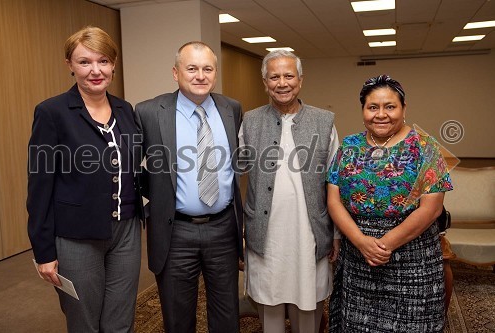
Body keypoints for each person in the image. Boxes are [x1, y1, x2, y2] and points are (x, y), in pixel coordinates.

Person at [27, 26, 144, 332]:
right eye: (85, 62)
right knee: (85, 322)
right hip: (76, 235)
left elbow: (130, 167)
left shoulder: (125, 109)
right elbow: (40, 186)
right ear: (69, 65)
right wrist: (44, 251)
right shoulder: (52, 112)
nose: (95, 70)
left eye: (103, 61)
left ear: (113, 64)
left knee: (121, 320)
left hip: (126, 230)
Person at [327, 74, 453, 332]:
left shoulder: (425, 147)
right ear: (363, 110)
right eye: (373, 107)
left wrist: (384, 245)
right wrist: (362, 243)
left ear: (404, 109)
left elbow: (432, 208)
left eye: (390, 106)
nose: (381, 114)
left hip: (412, 259)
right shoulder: (349, 146)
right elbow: (334, 201)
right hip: (358, 257)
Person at [135, 41, 243, 333]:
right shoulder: (148, 112)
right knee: (178, 316)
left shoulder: (231, 108)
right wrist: (158, 197)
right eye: (191, 68)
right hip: (175, 231)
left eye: (207, 69)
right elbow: (131, 167)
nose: (200, 75)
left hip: (223, 228)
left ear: (215, 73)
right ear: (175, 72)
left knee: (226, 313)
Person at [239, 50, 341, 333]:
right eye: (274, 77)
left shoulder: (325, 121)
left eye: (288, 75)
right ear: (265, 82)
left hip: (309, 234)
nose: (281, 83)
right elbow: (232, 174)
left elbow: (336, 182)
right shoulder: (250, 121)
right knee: (269, 307)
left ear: (300, 80)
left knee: (308, 308)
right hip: (266, 234)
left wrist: (335, 234)